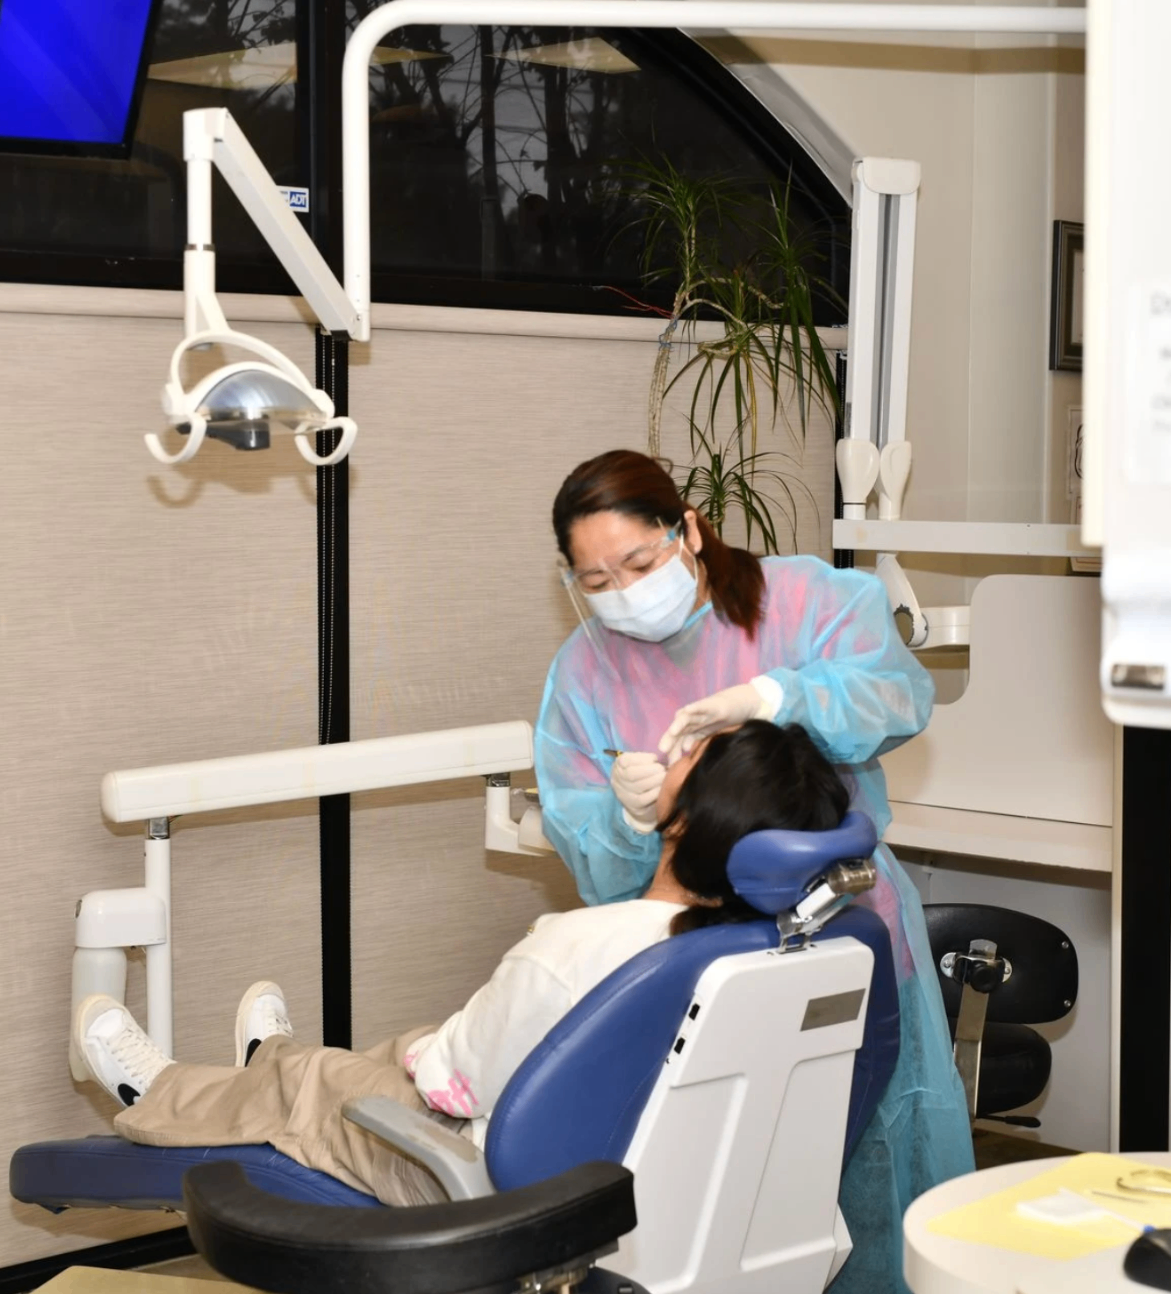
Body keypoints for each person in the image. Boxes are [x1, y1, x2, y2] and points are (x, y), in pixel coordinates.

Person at [72, 720, 852, 1207]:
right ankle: (264, 1060)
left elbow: (455, 1074)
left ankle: (158, 1089)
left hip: (479, 1184)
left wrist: (430, 1056)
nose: (668, 750)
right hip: (640, 1176)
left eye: (689, 756)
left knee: (314, 1084)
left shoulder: (579, 949)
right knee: (391, 1048)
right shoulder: (787, 955)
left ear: (682, 821)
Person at [536, 449, 975, 1292]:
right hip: (696, 950)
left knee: (881, 1163)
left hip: (846, 924)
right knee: (725, 1192)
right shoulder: (584, 673)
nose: (622, 590)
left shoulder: (803, 599)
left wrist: (778, 698)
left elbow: (898, 695)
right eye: (594, 579)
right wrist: (628, 817)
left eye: (637, 562)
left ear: (689, 530)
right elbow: (592, 860)